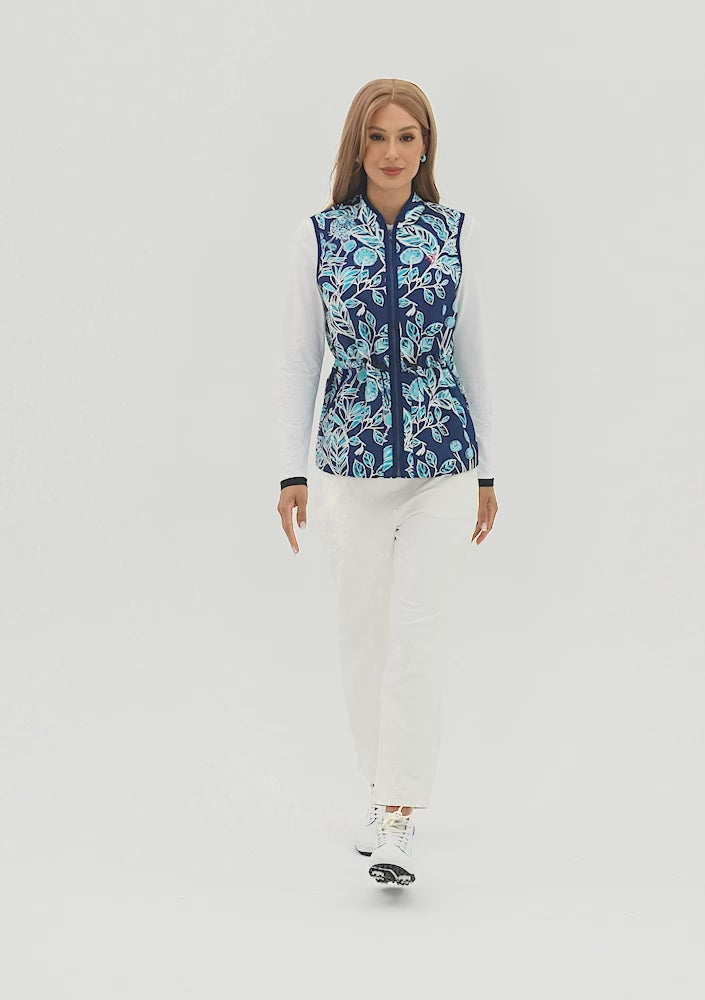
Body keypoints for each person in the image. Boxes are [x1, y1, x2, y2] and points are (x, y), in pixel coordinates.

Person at [276, 78, 498, 886]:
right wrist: (291, 470)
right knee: (363, 639)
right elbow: (300, 358)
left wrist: (488, 470)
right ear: (357, 146)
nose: (393, 152)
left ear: (426, 146)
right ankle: (379, 790)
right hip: (350, 469)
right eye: (378, 137)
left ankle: (400, 817)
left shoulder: (455, 233)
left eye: (408, 137)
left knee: (417, 635)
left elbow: (475, 355)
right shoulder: (321, 236)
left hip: (442, 466)